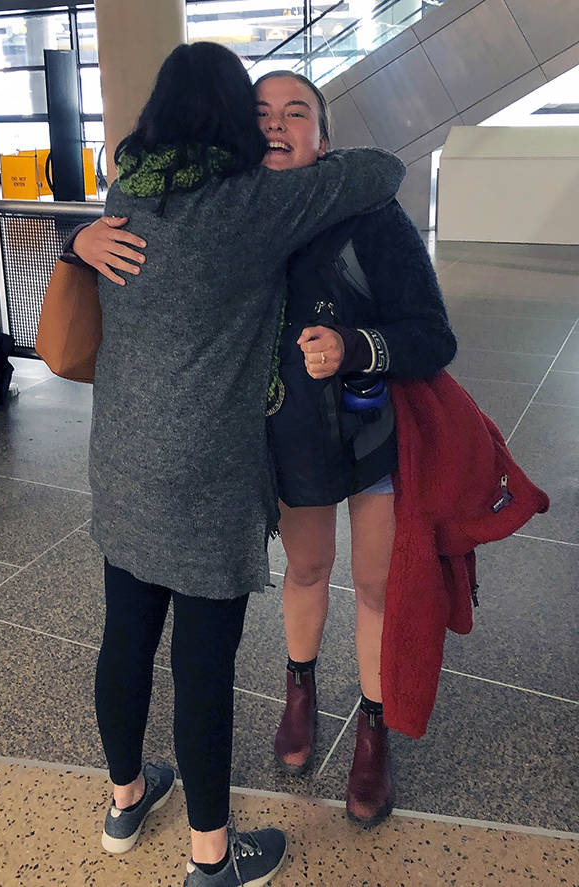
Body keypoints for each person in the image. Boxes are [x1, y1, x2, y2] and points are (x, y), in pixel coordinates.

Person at [70, 68, 454, 834]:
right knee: (308, 570)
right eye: (262, 112)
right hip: (289, 445)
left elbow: (433, 336)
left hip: (371, 437)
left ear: (324, 133)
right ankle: (301, 695)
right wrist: (78, 238)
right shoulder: (241, 205)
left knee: (375, 585)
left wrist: (356, 345)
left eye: (297, 112)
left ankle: (371, 730)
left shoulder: (371, 218)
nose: (277, 125)